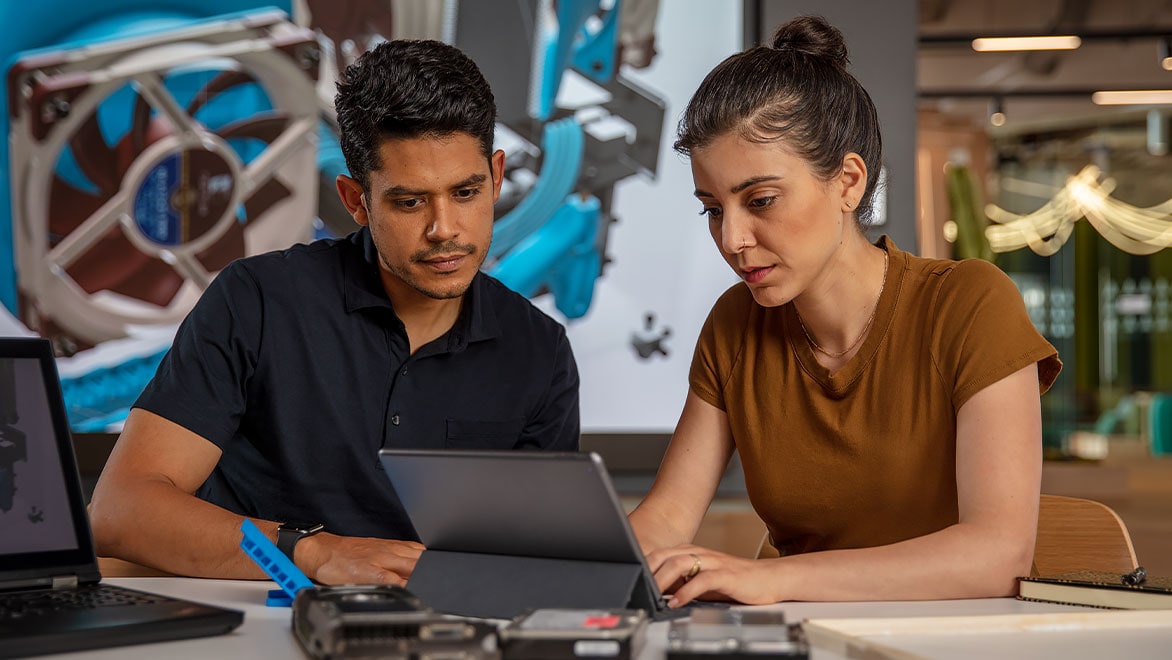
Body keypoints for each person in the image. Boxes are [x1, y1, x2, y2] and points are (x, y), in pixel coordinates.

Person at [89, 39, 580, 585]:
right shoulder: (256, 300)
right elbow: (119, 513)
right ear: (355, 201)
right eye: (410, 202)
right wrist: (313, 553)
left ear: (497, 176)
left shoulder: (540, 351)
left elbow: (540, 560)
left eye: (465, 192)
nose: (445, 230)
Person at [628, 15, 1061, 606]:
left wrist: (768, 579)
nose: (731, 238)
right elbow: (664, 520)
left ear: (848, 182)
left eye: (760, 200)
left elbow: (997, 556)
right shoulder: (735, 324)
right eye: (712, 208)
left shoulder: (970, 305)